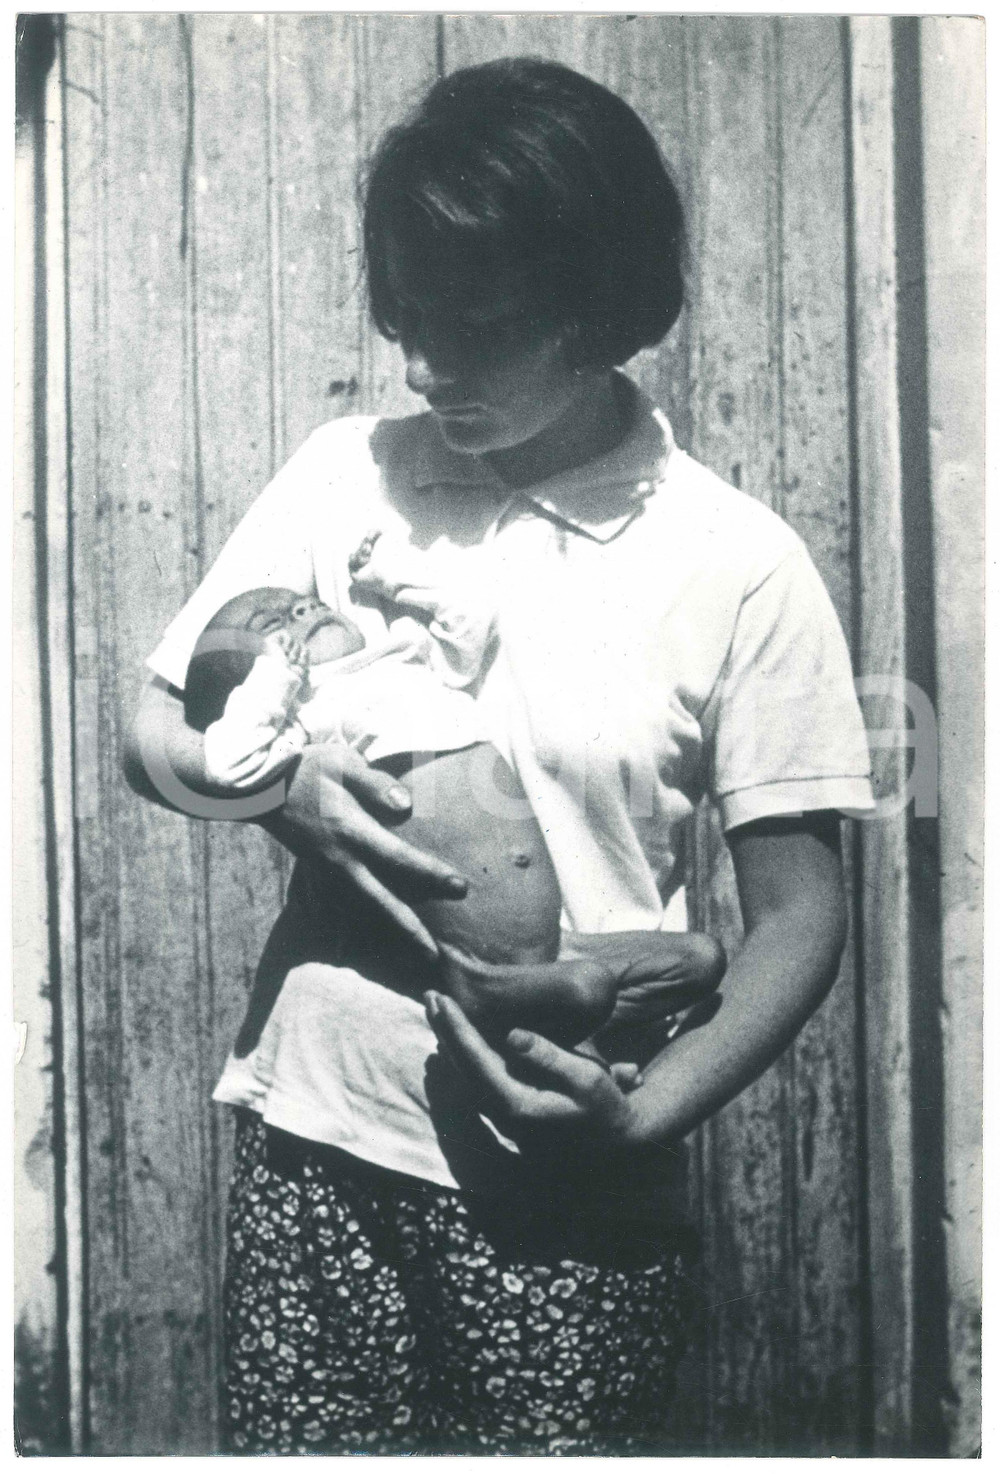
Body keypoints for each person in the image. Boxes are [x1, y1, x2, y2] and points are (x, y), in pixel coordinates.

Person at [124, 56, 874, 1455]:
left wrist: (640, 1118)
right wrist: (281, 792)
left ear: (598, 302)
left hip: (568, 1175)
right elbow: (154, 735)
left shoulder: (737, 561)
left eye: (475, 326)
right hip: (322, 1143)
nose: (424, 368)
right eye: (406, 319)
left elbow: (801, 916)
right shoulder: (346, 477)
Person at [183, 568, 726, 1054]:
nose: (301, 610)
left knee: (701, 960)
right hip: (472, 958)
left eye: (304, 603)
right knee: (589, 989)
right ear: (248, 685)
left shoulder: (408, 657)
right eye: (273, 624)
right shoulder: (311, 714)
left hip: (557, 942)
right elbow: (229, 765)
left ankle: (551, 1024)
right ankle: (491, 996)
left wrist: (388, 574)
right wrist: (276, 679)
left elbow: (471, 617)